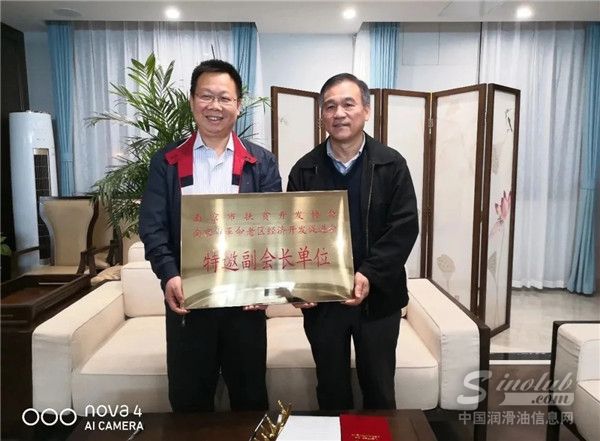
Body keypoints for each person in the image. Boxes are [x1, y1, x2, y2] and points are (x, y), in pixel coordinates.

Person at [139, 59, 282, 412]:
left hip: (244, 305)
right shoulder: (166, 162)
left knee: (250, 400)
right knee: (189, 402)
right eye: (206, 96)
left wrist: (265, 284)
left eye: (224, 98)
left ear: (239, 105)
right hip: (188, 301)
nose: (214, 106)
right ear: (192, 101)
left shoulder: (261, 162)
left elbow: (274, 231)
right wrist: (169, 275)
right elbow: (152, 227)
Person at [287, 73, 419, 410]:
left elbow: (404, 228)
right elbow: (291, 236)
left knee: (379, 389)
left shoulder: (391, 164)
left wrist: (369, 274)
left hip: (379, 299)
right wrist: (298, 287)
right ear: (322, 115)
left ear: (366, 110)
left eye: (348, 104)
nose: (339, 113)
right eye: (330, 106)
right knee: (331, 389)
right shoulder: (304, 170)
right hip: (324, 304)